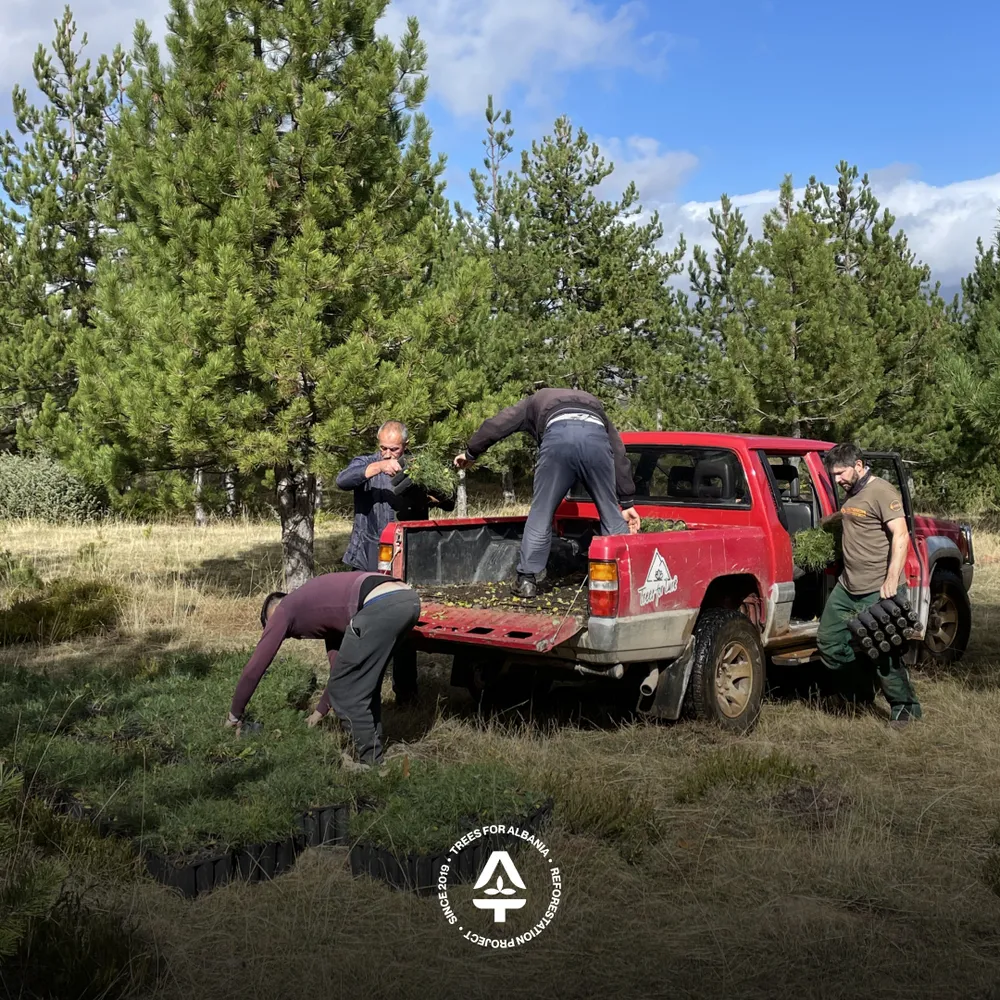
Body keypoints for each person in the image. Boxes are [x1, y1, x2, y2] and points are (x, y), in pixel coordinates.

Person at [454, 387, 641, 598]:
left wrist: (471, 452)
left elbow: (498, 424)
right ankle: (625, 579)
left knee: (541, 512)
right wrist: (626, 502)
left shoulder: (534, 401)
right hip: (596, 442)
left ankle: (526, 580)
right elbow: (617, 450)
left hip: (557, 441)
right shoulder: (594, 404)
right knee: (609, 511)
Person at [224, 571, 421, 769]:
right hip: (408, 600)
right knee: (366, 684)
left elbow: (255, 667)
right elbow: (338, 673)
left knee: (348, 694)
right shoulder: (323, 609)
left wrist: (234, 715)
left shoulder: (283, 609)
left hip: (382, 605)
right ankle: (373, 747)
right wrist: (320, 712)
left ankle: (371, 764)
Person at [335, 420, 451, 704]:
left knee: (403, 627)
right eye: (383, 448)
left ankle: (406, 695)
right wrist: (377, 468)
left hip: (408, 559)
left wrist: (431, 494)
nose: (388, 454)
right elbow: (342, 480)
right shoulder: (366, 463)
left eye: (394, 449)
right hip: (368, 557)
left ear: (405, 446)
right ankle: (359, 691)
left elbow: (448, 500)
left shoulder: (417, 466)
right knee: (362, 627)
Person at [816, 442, 922, 727]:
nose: (837, 480)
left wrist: (890, 580)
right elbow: (853, 517)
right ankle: (859, 694)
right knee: (829, 643)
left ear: (859, 466)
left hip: (879, 587)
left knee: (884, 651)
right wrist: (830, 522)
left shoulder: (882, 491)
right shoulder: (852, 493)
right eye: (833, 475)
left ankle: (905, 708)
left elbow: (901, 535)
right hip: (848, 587)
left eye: (840, 473)